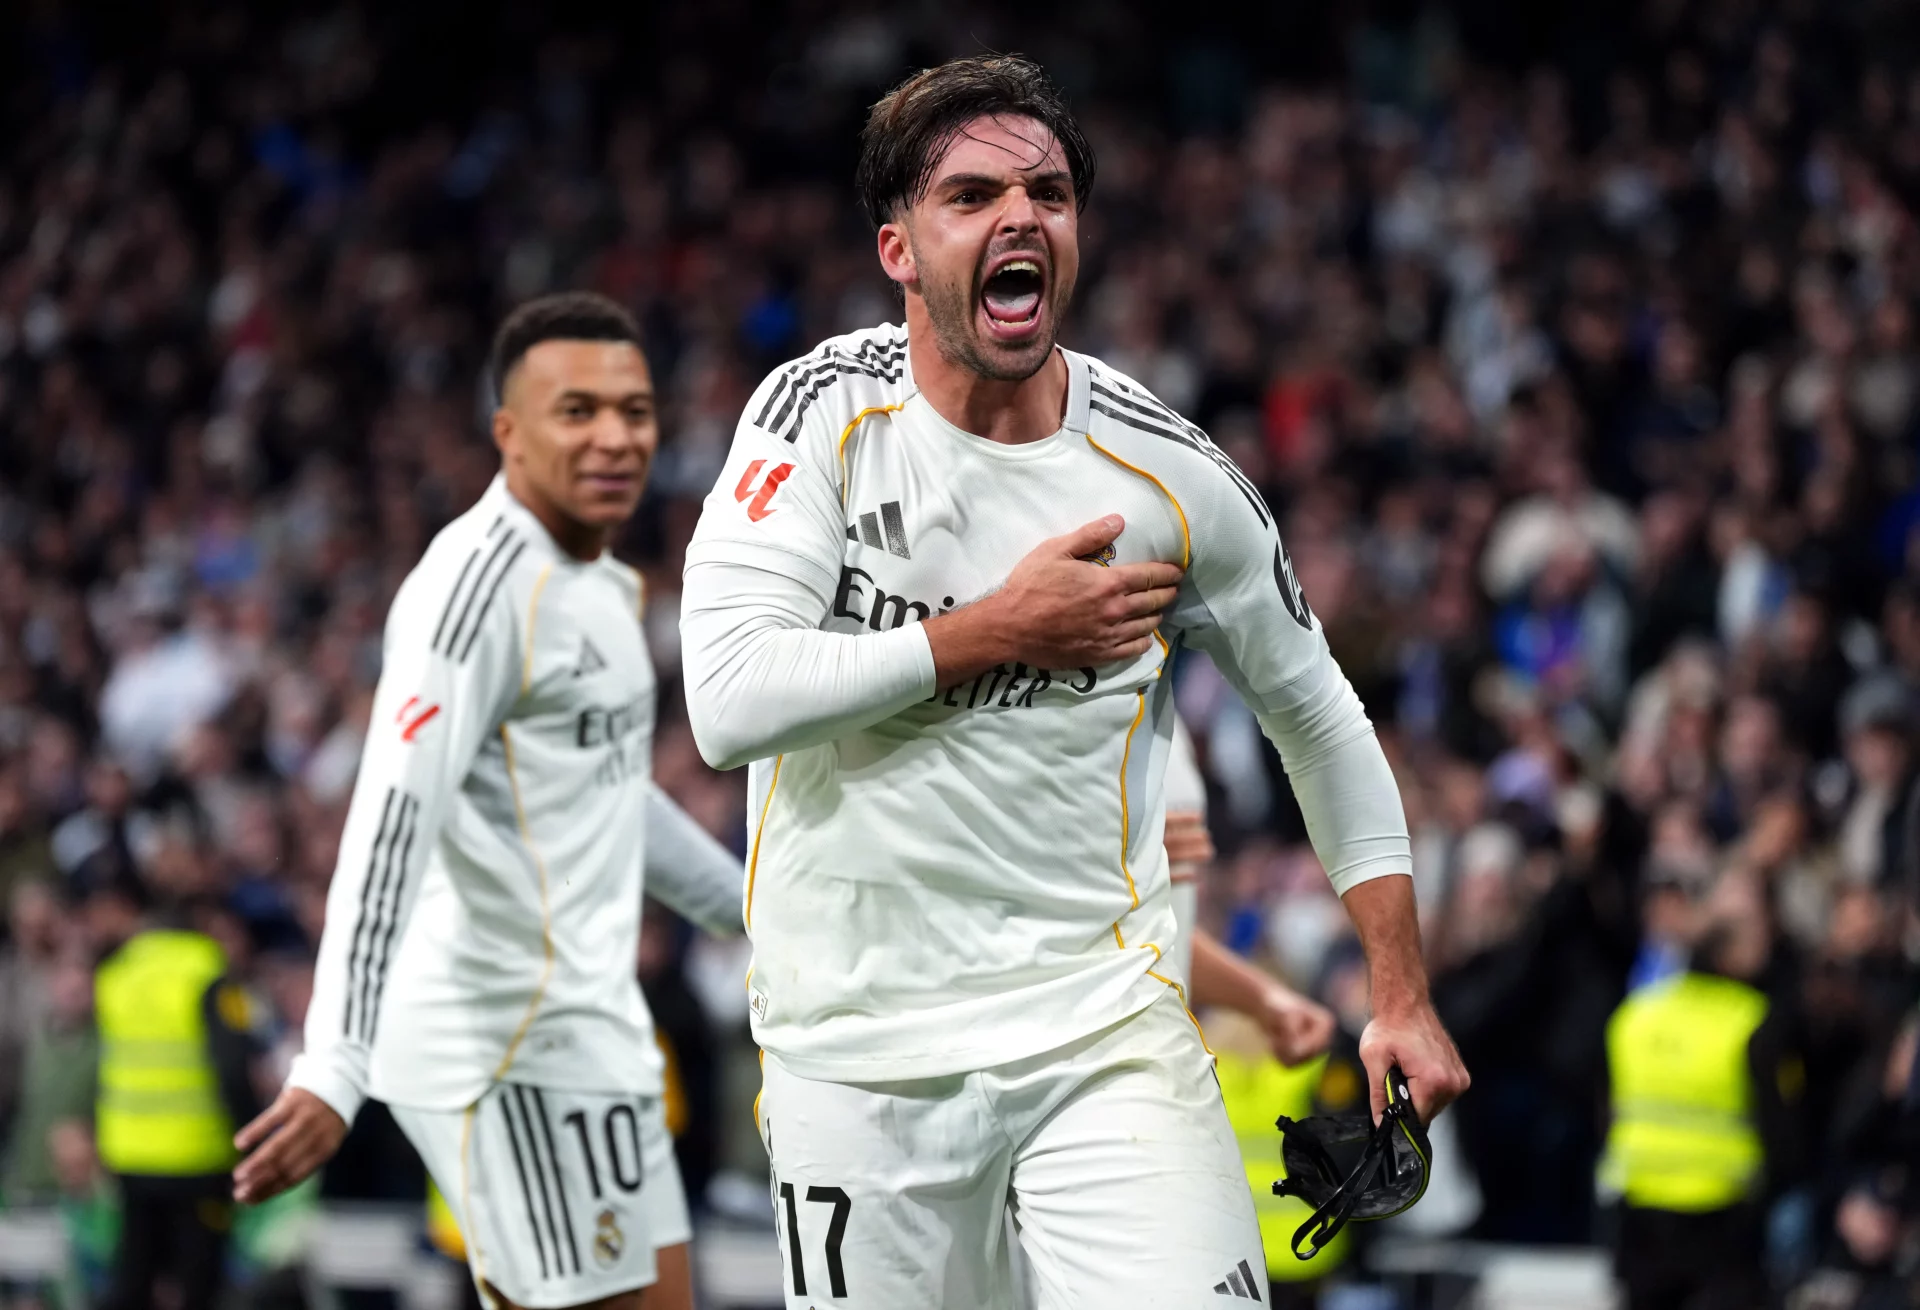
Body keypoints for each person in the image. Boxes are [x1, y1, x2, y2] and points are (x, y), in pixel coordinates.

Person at [679, 55, 1468, 1305]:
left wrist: (1400, 992)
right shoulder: (815, 413)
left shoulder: (1165, 471)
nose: (1019, 218)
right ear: (899, 249)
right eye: (972, 194)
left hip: (1100, 1035)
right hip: (855, 1054)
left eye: (1047, 192)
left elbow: (1316, 710)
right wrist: (997, 627)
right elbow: (728, 700)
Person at [231, 293, 745, 1310]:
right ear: (508, 432)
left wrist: (757, 908)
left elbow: (606, 794)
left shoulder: (604, 587)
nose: (614, 436)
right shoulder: (470, 591)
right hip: (498, 1032)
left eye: (634, 410)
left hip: (590, 1022)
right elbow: (388, 824)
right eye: (577, 410)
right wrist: (333, 1060)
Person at [1600, 869, 1804, 1310]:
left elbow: (1608, 1111)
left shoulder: (1636, 1015)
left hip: (1639, 1213)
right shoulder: (1752, 1020)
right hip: (1723, 1221)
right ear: (1730, 958)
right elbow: (1782, 1131)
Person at [90, 880, 262, 1310]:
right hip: (197, 1155)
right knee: (199, 1283)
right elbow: (233, 1067)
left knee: (135, 1274)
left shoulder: (116, 975)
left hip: (128, 1152)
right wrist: (253, 1137)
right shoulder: (208, 972)